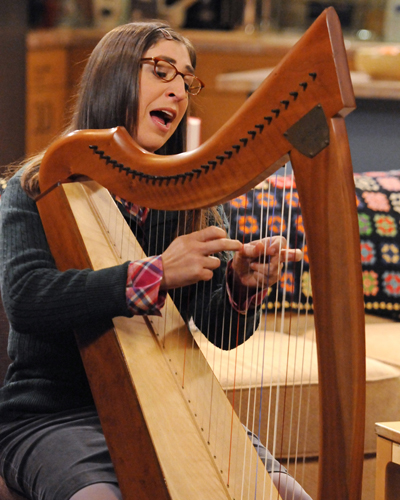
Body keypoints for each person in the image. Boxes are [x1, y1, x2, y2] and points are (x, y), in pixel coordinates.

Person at [0, 21, 309, 500]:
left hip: (166, 410)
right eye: (162, 71)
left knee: (286, 493)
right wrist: (157, 273)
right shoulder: (37, 188)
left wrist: (241, 285)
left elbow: (222, 333)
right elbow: (27, 300)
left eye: (187, 81)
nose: (178, 91)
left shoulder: (193, 202)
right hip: (53, 417)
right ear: (115, 77)